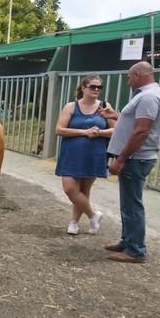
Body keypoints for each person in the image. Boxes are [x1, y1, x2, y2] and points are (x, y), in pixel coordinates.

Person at [99, 61, 160, 263]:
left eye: (130, 77)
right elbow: (136, 123)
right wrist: (115, 116)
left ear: (138, 75)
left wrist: (121, 159)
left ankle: (136, 250)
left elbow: (142, 131)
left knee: (132, 205)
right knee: (128, 203)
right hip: (135, 157)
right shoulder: (152, 94)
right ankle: (128, 241)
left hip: (135, 158)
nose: (129, 81)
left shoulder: (148, 97)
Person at [55, 75, 114, 235]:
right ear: (83, 88)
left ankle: (74, 222)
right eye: (93, 86)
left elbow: (115, 130)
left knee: (84, 189)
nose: (96, 90)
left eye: (99, 87)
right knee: (70, 188)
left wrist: (100, 132)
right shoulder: (71, 107)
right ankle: (93, 215)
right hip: (72, 154)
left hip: (94, 154)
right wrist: (84, 132)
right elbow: (59, 129)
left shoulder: (104, 106)